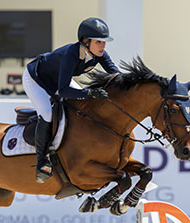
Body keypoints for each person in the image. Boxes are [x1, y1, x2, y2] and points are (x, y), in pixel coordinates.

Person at [23, 17, 120, 183]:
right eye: (98, 42)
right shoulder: (70, 54)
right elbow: (64, 91)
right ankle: (42, 161)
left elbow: (116, 75)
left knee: (79, 106)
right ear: (85, 41)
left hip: (59, 80)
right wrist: (90, 93)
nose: (102, 46)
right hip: (36, 79)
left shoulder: (100, 55)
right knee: (47, 113)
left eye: (104, 42)